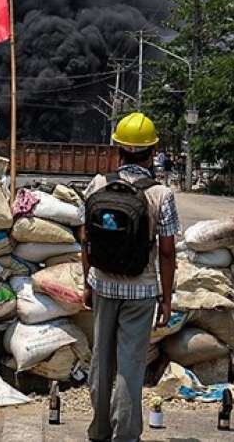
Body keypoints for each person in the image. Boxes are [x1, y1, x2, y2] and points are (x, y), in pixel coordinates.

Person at [80, 112, 178, 442]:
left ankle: (99, 431)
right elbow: (167, 252)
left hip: (103, 284)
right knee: (130, 366)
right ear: (152, 152)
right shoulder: (161, 195)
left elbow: (86, 240)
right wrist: (166, 297)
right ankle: (126, 436)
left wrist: (87, 282)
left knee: (101, 363)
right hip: (142, 291)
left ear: (118, 150)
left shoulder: (98, 184)